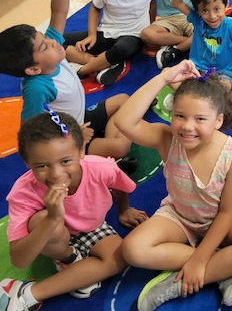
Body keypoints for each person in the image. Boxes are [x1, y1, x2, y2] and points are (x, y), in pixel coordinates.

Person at [0, 0, 146, 218]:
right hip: (71, 139)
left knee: (125, 101)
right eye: (44, 47)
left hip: (83, 118)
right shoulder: (37, 88)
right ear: (31, 69)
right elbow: (31, 137)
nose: (54, 43)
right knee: (121, 145)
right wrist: (75, 139)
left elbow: (59, 11)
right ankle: (103, 156)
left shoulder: (51, 53)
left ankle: (103, 150)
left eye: (44, 38)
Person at [112, 60, 232, 311]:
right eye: (180, 116)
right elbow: (124, 121)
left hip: (225, 218)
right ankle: (223, 267)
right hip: (179, 215)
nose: (187, 126)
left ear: (218, 120)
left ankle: (180, 282)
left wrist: (198, 261)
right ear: (171, 114)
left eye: (200, 119)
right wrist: (164, 78)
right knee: (132, 249)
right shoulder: (167, 138)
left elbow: (228, 213)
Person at [0, 110, 138, 310]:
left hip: (92, 226)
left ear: (82, 150)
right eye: (41, 165)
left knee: (120, 257)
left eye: (65, 161)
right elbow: (20, 259)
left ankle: (27, 293)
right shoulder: (22, 193)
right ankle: (66, 256)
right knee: (44, 219)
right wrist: (53, 218)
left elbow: (118, 183)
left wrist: (124, 209)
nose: (56, 174)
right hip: (51, 235)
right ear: (26, 163)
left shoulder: (100, 168)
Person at [63, 0, 161, 85]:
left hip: (133, 35)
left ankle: (82, 70)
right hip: (107, 32)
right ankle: (101, 64)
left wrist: (150, 27)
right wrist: (92, 35)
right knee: (55, 40)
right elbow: (95, 8)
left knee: (124, 49)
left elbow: (152, 4)